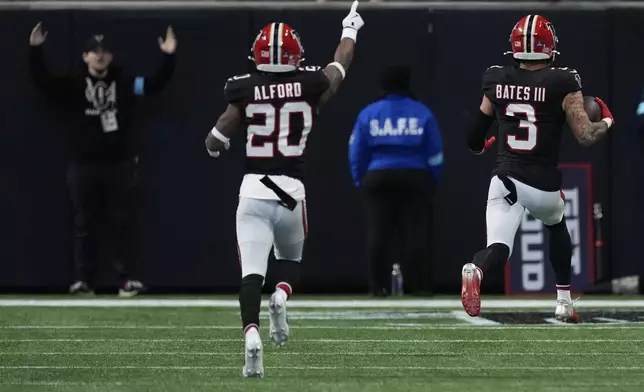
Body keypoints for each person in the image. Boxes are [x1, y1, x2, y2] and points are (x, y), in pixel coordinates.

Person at [204, 1, 364, 378]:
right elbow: (339, 68)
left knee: (250, 275)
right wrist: (350, 30)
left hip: (254, 191)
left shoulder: (242, 89)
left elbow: (214, 139)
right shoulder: (311, 86)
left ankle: (251, 335)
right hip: (292, 193)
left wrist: (220, 144)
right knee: (290, 263)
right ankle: (281, 296)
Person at [462, 14, 615, 323]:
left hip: (504, 178)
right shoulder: (563, 81)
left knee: (498, 248)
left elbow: (473, 138)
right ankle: (563, 301)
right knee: (556, 222)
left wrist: (483, 145)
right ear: (550, 47)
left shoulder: (496, 79)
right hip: (542, 183)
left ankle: (475, 269)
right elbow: (585, 135)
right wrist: (607, 120)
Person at [29, 22, 177, 297]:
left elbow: (152, 86)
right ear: (85, 56)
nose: (99, 55)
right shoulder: (74, 82)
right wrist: (36, 51)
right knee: (83, 224)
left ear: (110, 56)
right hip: (82, 164)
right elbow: (44, 83)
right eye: (93, 51)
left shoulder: (122, 81)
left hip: (118, 164)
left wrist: (169, 56)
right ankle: (82, 281)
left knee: (120, 223)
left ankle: (126, 280)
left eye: (104, 51)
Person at [348, 65, 443, 297]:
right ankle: (418, 287)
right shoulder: (422, 112)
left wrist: (361, 179)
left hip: (378, 177)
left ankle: (376, 287)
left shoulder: (369, 113)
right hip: (416, 177)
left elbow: (356, 151)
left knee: (378, 233)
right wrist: (432, 179)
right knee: (416, 234)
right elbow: (436, 152)